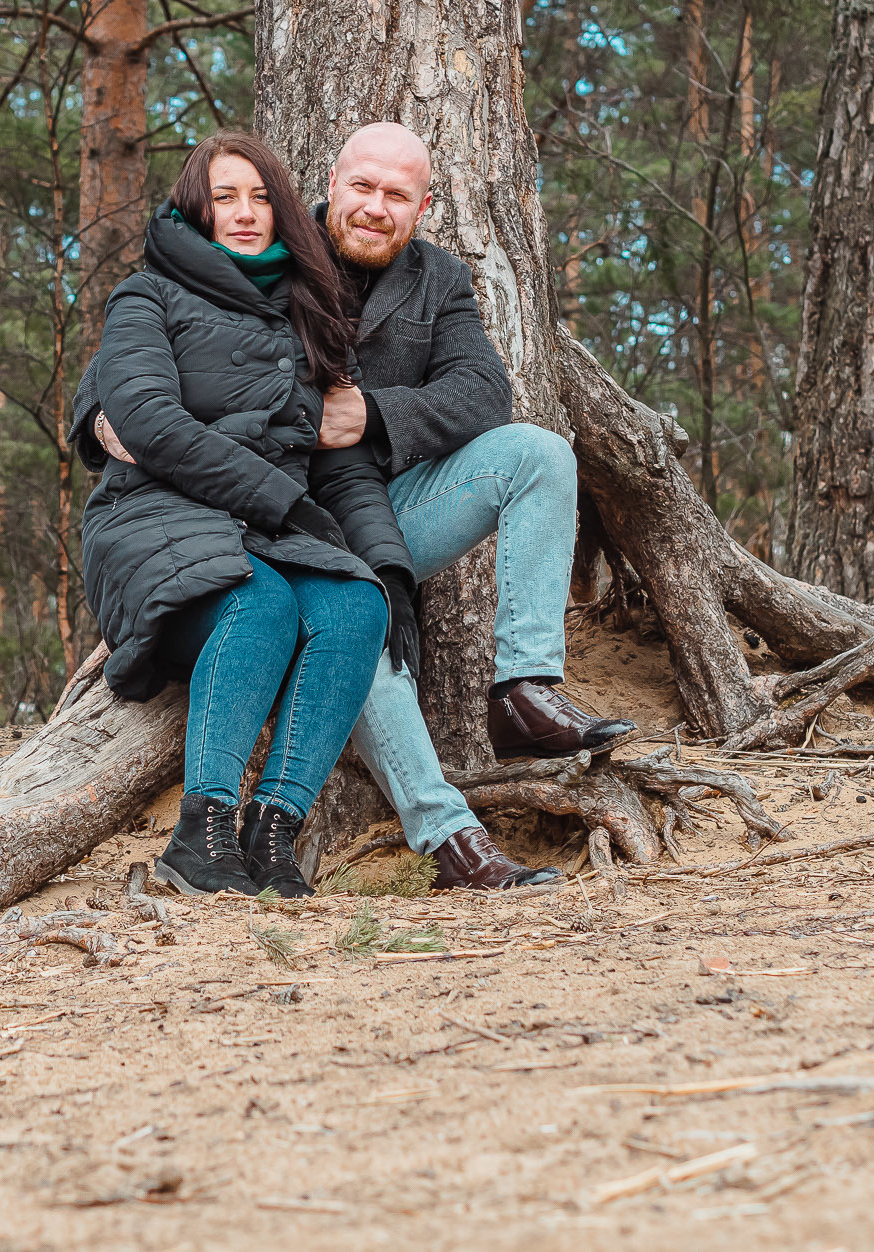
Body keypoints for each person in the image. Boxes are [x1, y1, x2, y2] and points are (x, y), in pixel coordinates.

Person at [75, 122, 637, 892]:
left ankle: (524, 691)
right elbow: (141, 355)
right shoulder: (271, 253)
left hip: (360, 499)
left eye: (397, 195)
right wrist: (98, 417)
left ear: (422, 207)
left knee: (526, 462)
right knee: (324, 608)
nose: (375, 207)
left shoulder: (437, 280)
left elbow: (483, 394)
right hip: (256, 509)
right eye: (363, 187)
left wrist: (372, 418)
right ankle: (449, 840)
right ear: (331, 185)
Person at [82, 131, 418, 901]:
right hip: (151, 516)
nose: (243, 212)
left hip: (265, 529)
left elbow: (340, 462)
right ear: (195, 210)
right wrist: (281, 499)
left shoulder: (305, 310)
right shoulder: (146, 296)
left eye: (261, 197)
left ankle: (271, 834)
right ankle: (200, 836)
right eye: (224, 197)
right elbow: (146, 421)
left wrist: (389, 567)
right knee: (259, 603)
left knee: (355, 604)